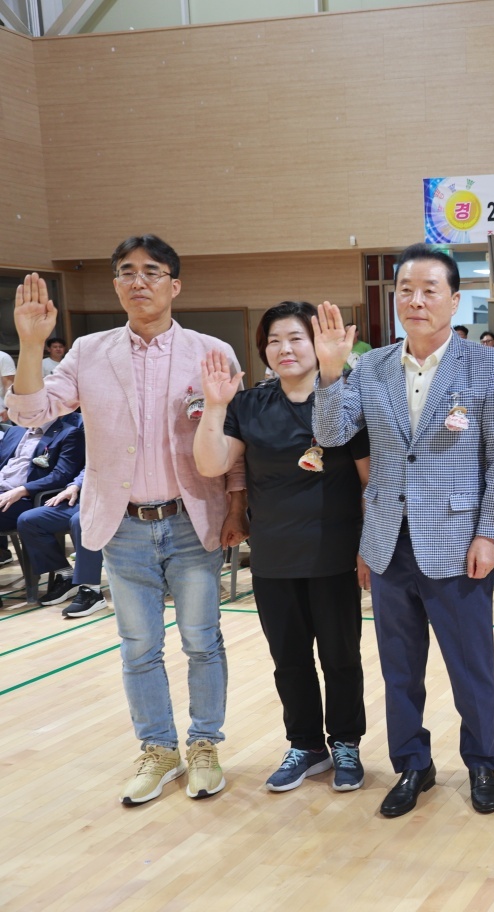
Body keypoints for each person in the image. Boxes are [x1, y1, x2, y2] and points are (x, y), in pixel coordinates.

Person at [9, 235, 249, 806]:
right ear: (116, 284)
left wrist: (237, 506)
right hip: (123, 524)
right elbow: (30, 412)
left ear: (174, 285)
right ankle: (159, 749)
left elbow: (235, 439)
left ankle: (204, 745)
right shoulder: (89, 351)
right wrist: (30, 345)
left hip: (192, 519)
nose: (138, 281)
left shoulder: (211, 351)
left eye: (151, 271)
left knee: (202, 641)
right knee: (138, 645)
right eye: (126, 272)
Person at [313, 244, 494, 818]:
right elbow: (330, 435)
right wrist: (329, 371)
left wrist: (489, 534)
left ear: (455, 299)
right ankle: (412, 764)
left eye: (430, 290)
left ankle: (481, 763)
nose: (416, 300)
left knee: (470, 666)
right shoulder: (370, 366)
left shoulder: (487, 366)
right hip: (388, 541)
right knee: (399, 669)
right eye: (406, 290)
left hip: (458, 542)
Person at [193, 301, 371, 792]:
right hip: (274, 555)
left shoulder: (346, 399)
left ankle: (347, 743)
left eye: (295, 338)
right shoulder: (250, 404)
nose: (284, 348)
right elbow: (211, 464)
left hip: (335, 552)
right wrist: (215, 405)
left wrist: (368, 546)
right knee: (289, 660)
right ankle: (306, 745)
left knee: (340, 657)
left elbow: (369, 481)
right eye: (273, 341)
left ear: (318, 343)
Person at [19, 466, 111, 619]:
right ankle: (66, 576)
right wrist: (75, 485)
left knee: (81, 520)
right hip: (87, 497)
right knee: (29, 520)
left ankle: (91, 590)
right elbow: (91, 467)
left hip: (117, 501)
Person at [0, 413, 85, 546]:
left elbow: (61, 476)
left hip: (26, 497)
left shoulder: (69, 433)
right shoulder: (14, 431)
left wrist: (22, 490)